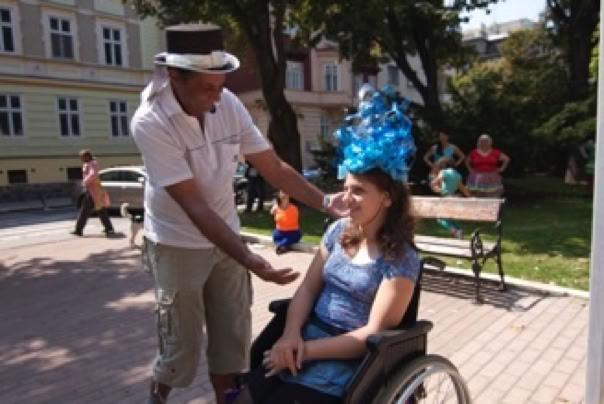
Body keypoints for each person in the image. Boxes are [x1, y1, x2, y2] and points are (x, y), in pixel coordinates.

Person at [130, 25, 347, 404]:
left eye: (221, 85)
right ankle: (158, 396)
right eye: (207, 88)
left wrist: (325, 202)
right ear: (175, 76)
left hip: (225, 237)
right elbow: (193, 204)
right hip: (176, 243)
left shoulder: (226, 103)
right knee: (179, 349)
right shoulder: (151, 121)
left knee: (231, 345)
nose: (217, 97)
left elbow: (273, 167)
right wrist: (249, 258)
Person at [232, 86, 419, 404]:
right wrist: (290, 335)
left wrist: (304, 351)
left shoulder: (399, 258)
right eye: (346, 188)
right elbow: (307, 290)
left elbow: (372, 334)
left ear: (387, 198)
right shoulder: (337, 232)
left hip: (345, 360)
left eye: (358, 191)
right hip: (301, 340)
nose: (347, 199)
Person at [70, 149, 115, 237]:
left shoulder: (91, 164)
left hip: (92, 191)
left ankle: (78, 230)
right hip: (95, 191)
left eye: (82, 157)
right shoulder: (91, 163)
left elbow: (93, 174)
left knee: (85, 210)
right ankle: (109, 228)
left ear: (87, 156)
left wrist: (85, 181)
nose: (81, 159)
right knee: (100, 209)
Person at [431, 157, 472, 239]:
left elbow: (434, 183)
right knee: (450, 218)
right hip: (454, 198)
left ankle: (453, 230)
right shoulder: (458, 174)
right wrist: (471, 198)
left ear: (443, 165)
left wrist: (437, 189)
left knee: (440, 218)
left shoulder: (443, 172)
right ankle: (459, 230)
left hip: (446, 198)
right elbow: (463, 189)